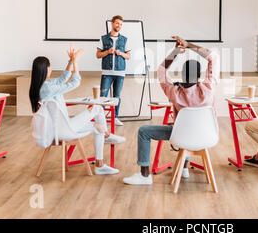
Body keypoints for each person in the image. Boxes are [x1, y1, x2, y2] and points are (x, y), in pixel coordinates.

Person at [123, 36, 219, 185]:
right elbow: (213, 57)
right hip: (208, 136)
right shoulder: (209, 88)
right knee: (189, 128)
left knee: (144, 131)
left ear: (182, 74)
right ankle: (184, 168)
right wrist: (189, 45)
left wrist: (175, 51)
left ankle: (144, 175)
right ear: (200, 76)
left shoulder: (174, 92)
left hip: (182, 136)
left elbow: (161, 71)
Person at [29, 44, 126, 175]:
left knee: (98, 127)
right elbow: (75, 82)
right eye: (49, 65)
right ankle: (107, 137)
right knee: (97, 108)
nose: (50, 68)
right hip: (63, 130)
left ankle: (100, 163)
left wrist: (70, 60)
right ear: (45, 69)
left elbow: (63, 79)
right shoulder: (47, 88)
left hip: (57, 129)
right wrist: (75, 62)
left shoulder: (41, 86)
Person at [96, 15, 131, 126]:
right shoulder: (103, 38)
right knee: (103, 96)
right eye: (117, 23)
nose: (119, 26)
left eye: (121, 24)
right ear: (112, 23)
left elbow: (128, 56)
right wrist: (107, 52)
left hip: (120, 72)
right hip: (107, 72)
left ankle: (115, 117)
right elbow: (98, 55)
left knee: (116, 96)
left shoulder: (125, 39)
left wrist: (120, 53)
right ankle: (100, 118)